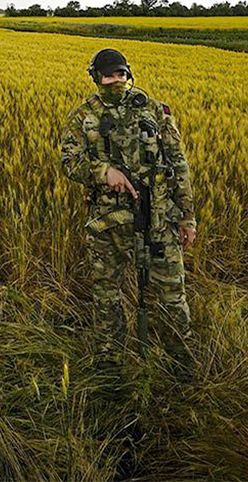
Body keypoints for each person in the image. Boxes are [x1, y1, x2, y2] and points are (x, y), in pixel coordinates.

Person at [58, 47, 198, 378]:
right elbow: (69, 163)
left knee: (172, 297)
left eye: (121, 74)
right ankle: (110, 368)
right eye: (108, 75)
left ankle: (183, 366)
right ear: (96, 78)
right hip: (108, 225)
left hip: (159, 220)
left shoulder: (155, 110)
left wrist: (187, 217)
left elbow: (178, 163)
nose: (116, 81)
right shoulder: (81, 117)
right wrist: (103, 171)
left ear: (128, 74)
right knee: (106, 297)